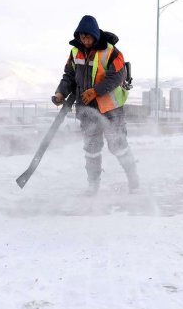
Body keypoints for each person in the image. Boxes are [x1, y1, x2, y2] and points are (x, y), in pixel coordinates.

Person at [53, 15, 139, 194]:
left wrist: (95, 91)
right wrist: (61, 92)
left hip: (110, 109)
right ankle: (93, 186)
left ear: (94, 35)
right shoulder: (75, 52)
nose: (85, 41)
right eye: (81, 37)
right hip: (87, 109)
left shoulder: (111, 52)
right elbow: (69, 76)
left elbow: (117, 76)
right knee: (91, 149)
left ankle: (134, 181)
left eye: (88, 37)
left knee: (118, 145)